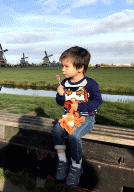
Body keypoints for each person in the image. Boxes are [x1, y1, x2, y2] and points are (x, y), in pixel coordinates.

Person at [53, 46, 102, 187]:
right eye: (62, 66)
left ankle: (76, 166)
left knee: (74, 136)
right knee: (57, 130)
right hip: (68, 117)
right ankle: (62, 161)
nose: (63, 70)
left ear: (80, 67)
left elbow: (97, 101)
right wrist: (61, 95)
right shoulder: (64, 83)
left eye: (66, 66)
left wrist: (80, 107)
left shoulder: (90, 83)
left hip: (87, 118)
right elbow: (59, 102)